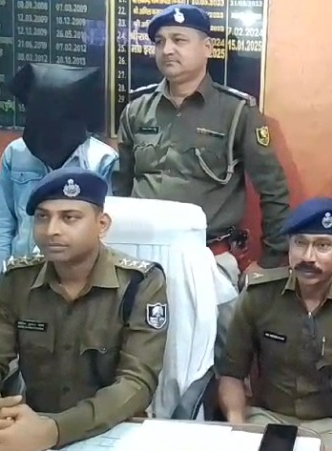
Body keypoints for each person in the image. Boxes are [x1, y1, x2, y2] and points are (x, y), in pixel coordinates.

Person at [0, 168, 169, 450]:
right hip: (28, 427)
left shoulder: (140, 283)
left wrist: (54, 430)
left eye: (69, 217)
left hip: (112, 431)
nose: (51, 230)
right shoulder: (17, 280)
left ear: (102, 224)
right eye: (42, 217)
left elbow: (136, 382)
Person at [113, 4, 291, 287]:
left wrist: (270, 260)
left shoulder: (237, 112)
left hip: (209, 258)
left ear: (207, 48)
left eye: (179, 40)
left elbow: (274, 190)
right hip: (139, 254)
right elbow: (121, 185)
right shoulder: (137, 110)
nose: (167, 49)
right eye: (159, 42)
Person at [217, 198, 332, 451]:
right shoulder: (259, 295)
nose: (308, 257)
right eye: (300, 243)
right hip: (269, 419)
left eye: (322, 245)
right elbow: (231, 374)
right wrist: (238, 425)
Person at [0, 63, 118, 289]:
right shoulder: (15, 155)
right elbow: (1, 226)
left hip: (76, 282)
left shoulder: (102, 160)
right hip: (22, 278)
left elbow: (106, 231)